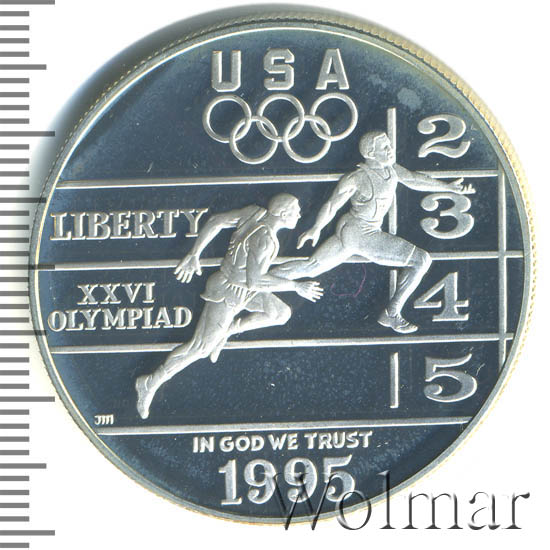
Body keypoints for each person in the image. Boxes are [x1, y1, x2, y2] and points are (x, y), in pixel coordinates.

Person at [136, 193, 323, 419]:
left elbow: (216, 221)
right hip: (228, 291)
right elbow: (255, 280)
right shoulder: (265, 239)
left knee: (280, 313)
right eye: (296, 211)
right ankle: (150, 382)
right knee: (200, 348)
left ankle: (228, 331)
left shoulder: (253, 213)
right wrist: (295, 286)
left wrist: (195, 254)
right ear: (283, 214)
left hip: (243, 289)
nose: (300, 214)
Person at [271, 131, 475, 334]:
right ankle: (392, 313)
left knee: (311, 267)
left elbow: (414, 180)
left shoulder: (391, 169)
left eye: (389, 145)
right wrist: (316, 228)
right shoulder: (356, 178)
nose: (391, 149)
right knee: (421, 260)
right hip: (361, 233)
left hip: (352, 231)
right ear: (370, 153)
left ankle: (263, 279)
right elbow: (332, 204)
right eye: (385, 147)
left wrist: (448, 187)